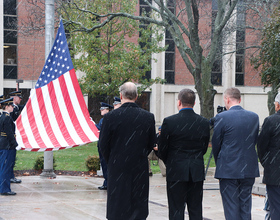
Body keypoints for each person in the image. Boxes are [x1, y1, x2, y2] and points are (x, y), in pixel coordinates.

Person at [99, 82, 156, 220]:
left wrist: (113, 160)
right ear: (136, 96)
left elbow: (103, 145)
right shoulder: (147, 117)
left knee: (117, 207)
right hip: (139, 168)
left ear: (121, 95)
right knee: (138, 206)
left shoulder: (110, 117)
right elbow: (151, 143)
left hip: (118, 168)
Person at [158, 88, 210, 220]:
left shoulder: (169, 122)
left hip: (176, 170)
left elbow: (163, 148)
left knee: (176, 209)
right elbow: (204, 148)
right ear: (194, 103)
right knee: (196, 209)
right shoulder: (203, 122)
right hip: (196, 170)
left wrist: (170, 161)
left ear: (179, 102)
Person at [212, 87, 259, 220]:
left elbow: (216, 144)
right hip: (248, 168)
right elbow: (254, 140)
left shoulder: (222, 117)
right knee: (245, 206)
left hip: (228, 169)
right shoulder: (254, 117)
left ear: (227, 99)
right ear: (240, 99)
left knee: (231, 207)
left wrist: (220, 162)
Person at [257, 93, 280, 220]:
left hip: (275, 172)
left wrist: (268, 163)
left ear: (277, 105)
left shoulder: (271, 121)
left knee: (276, 207)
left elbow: (261, 146)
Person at [0, 98, 17, 195]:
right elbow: (9, 133)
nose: (12, 107)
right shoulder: (7, 118)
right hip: (7, 145)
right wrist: (14, 143)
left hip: (3, 143)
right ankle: (5, 189)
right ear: (6, 106)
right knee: (5, 168)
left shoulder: (2, 116)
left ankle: (2, 187)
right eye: (11, 106)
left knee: (2, 166)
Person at [96, 102, 113, 190]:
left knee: (106, 165)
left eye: (103, 109)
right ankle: (106, 182)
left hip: (106, 145)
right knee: (104, 165)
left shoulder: (108, 119)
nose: (101, 111)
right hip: (102, 145)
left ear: (107, 110)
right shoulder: (103, 120)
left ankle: (108, 183)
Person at [8, 90, 24, 184]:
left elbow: (26, 106)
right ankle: (9, 177)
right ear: (15, 98)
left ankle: (10, 176)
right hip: (9, 139)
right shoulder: (11, 110)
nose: (21, 99)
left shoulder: (16, 107)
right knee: (9, 159)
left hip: (12, 138)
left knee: (11, 159)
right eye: (19, 97)